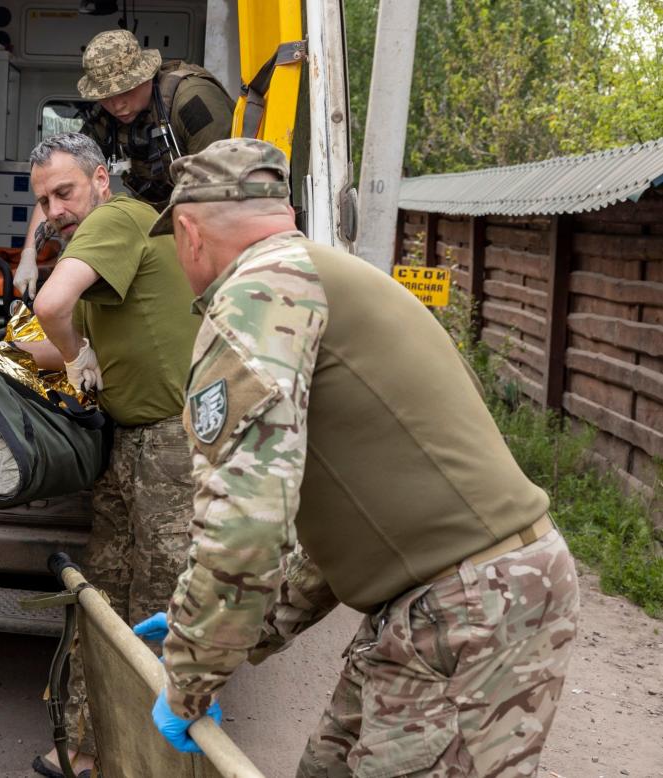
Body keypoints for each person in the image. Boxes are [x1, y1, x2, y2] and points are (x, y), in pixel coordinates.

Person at [135, 138, 580, 776]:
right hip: (460, 596)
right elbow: (345, 511)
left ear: (188, 232)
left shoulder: (258, 294)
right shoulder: (321, 273)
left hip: (465, 605)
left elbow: (245, 525)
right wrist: (237, 631)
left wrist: (188, 676)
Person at [15, 132, 200, 777]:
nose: (55, 211)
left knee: (158, 604)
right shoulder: (94, 253)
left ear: (100, 180)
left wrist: (68, 350)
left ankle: (154, 762)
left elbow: (53, 311)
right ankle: (90, 749)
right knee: (105, 599)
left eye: (64, 191)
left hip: (173, 446)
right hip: (129, 443)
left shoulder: (117, 217)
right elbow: (56, 336)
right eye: (42, 201)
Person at [14, 29, 234, 298]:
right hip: (159, 226)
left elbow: (225, 192)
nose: (117, 105)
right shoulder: (106, 121)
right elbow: (56, 176)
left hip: (210, 222)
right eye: (106, 96)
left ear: (146, 75)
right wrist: (28, 254)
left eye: (125, 90)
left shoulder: (192, 100)